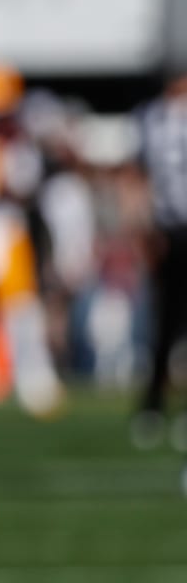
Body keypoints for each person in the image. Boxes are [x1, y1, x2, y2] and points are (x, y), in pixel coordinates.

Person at [133, 73, 187, 448]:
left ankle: (153, 408)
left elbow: (141, 181)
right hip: (170, 231)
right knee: (166, 325)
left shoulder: (153, 119)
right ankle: (153, 405)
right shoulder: (154, 119)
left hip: (168, 230)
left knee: (165, 326)